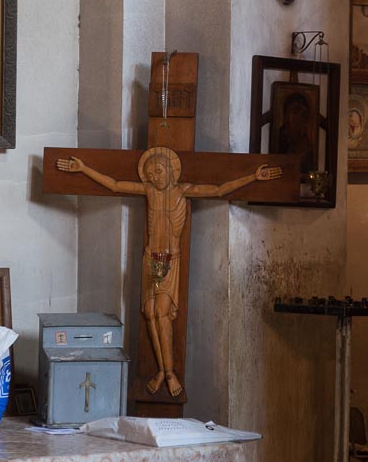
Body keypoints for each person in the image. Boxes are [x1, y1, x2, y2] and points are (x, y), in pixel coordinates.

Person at [57, 147, 282, 398]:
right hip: (150, 259)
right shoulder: (148, 191)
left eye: (159, 170)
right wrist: (83, 169)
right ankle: (162, 371)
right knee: (150, 313)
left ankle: (169, 372)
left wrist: (253, 177)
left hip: (171, 260)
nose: (155, 176)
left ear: (171, 171)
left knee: (162, 313)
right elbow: (114, 185)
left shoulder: (183, 191)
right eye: (151, 173)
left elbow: (219, 190)